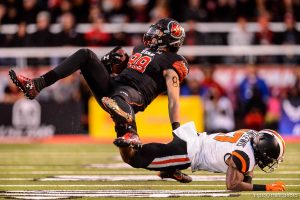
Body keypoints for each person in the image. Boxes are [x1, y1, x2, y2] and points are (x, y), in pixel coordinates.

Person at [9, 17, 189, 167]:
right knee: (85, 54)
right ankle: (37, 85)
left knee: (130, 156)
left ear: (168, 38)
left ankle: (137, 136)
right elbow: (125, 70)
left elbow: (173, 99)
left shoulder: (174, 62)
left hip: (135, 94)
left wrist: (177, 131)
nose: (153, 34)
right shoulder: (140, 49)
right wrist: (110, 63)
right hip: (113, 86)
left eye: (158, 32)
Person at [123, 121, 286, 191]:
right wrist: (265, 187)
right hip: (187, 152)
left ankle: (170, 171)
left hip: (195, 140)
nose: (270, 161)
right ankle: (126, 132)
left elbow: (247, 167)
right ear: (264, 150)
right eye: (271, 157)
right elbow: (232, 185)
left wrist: (248, 182)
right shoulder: (245, 155)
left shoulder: (251, 134)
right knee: (136, 159)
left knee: (159, 158)